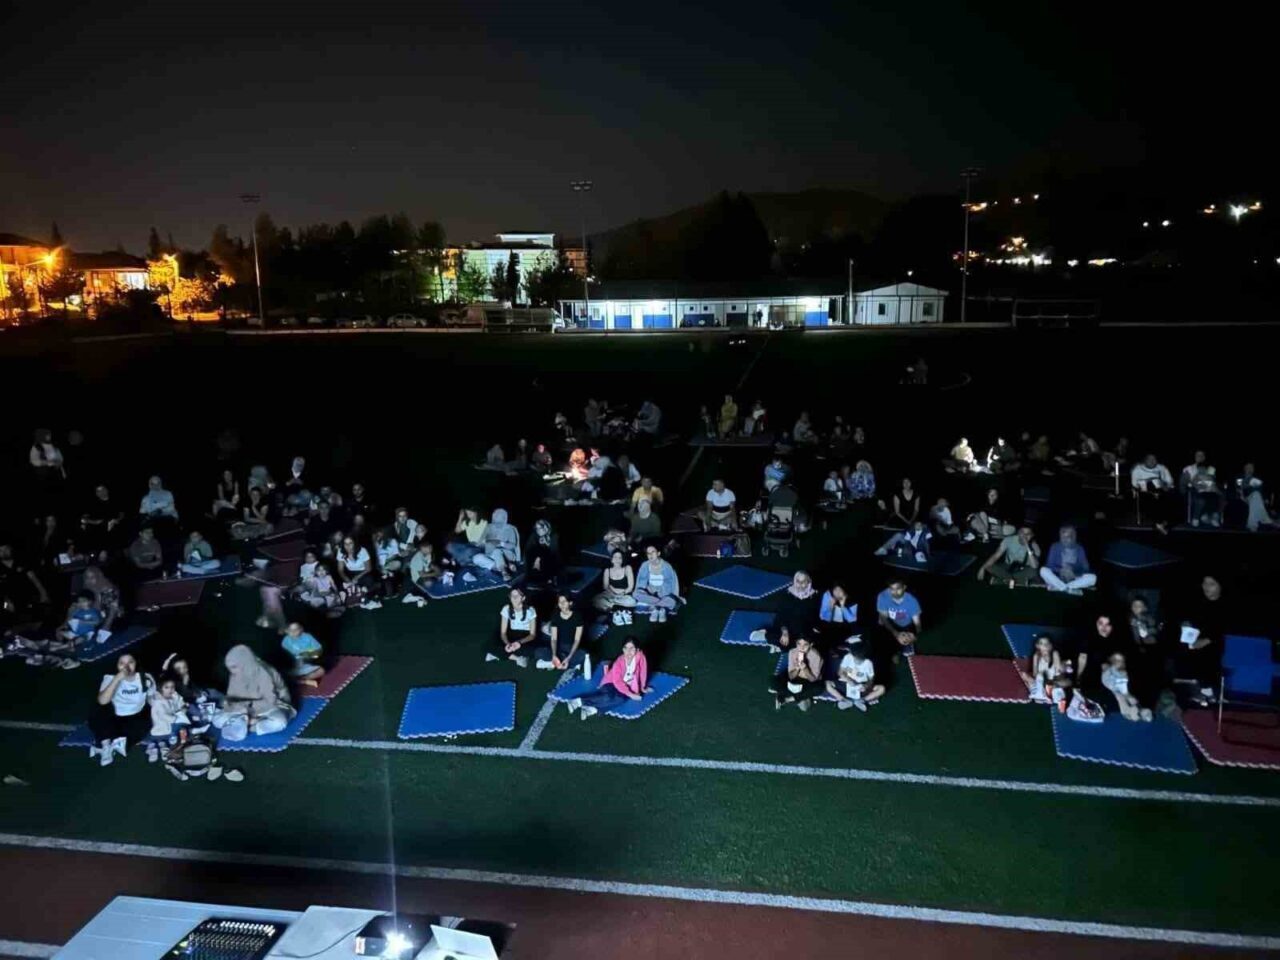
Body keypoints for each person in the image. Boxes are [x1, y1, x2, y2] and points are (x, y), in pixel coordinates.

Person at [214, 644, 296, 739]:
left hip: (272, 708)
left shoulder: (264, 672)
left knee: (280, 722)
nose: (232, 671)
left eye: (234, 667)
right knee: (217, 720)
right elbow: (232, 697)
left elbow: (270, 701)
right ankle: (242, 724)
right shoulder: (235, 673)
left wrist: (251, 718)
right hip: (245, 711)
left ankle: (250, 727)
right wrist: (235, 707)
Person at [89, 653, 154, 765]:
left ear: (136, 664)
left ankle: (108, 743)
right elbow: (103, 701)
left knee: (147, 724)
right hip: (114, 716)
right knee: (98, 711)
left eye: (130, 662)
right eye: (122, 663)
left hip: (134, 717)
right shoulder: (109, 677)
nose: (126, 666)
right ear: (117, 666)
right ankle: (105, 745)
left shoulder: (145, 678)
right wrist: (117, 679)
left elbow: (151, 699)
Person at [567, 637, 651, 719]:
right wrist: (631, 694)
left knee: (621, 699)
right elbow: (617, 682)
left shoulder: (640, 657)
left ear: (637, 650)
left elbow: (643, 671)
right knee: (609, 697)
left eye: (632, 648)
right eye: (626, 648)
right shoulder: (619, 662)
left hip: (627, 686)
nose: (628, 652)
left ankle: (592, 709)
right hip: (611, 683)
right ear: (623, 649)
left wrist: (643, 687)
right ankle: (578, 701)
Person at [1176, 575, 1228, 706]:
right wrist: (1185, 623)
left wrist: (1206, 641)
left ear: (1219, 586)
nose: (1206, 587)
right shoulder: (1197, 602)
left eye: (1211, 584)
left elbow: (1222, 628)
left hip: (1213, 646)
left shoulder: (1225, 605)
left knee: (1209, 664)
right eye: (1204, 583)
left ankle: (1211, 695)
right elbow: (1186, 617)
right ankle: (1199, 694)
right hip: (1193, 643)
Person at [749, 571, 819, 651]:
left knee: (809, 644)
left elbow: (814, 615)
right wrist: (785, 632)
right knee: (785, 642)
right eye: (798, 581)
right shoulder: (788, 595)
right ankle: (766, 634)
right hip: (788, 626)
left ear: (808, 582)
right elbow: (781, 616)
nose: (800, 585)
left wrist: (815, 628)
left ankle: (776, 643)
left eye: (803, 582)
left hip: (804, 629)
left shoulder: (814, 596)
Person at [771, 635, 823, 711]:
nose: (801, 648)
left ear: (811, 645)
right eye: (799, 644)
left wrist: (805, 669)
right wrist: (797, 669)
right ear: (796, 644)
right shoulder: (792, 652)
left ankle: (789, 699)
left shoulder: (816, 656)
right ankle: (801, 697)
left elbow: (813, 679)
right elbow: (791, 676)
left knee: (819, 688)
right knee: (773, 680)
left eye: (805, 645)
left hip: (808, 681)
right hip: (795, 679)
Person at [826, 644, 884, 712]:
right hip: (846, 684)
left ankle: (862, 700)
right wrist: (849, 680)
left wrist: (866, 685)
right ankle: (844, 700)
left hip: (860, 687)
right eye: (856, 657)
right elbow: (840, 672)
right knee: (828, 684)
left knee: (881, 688)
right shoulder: (848, 657)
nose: (858, 660)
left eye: (860, 659)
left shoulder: (868, 663)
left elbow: (871, 679)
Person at [1039, 525, 1096, 594]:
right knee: (1043, 570)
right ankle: (1067, 588)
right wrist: (1061, 570)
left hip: (1073, 578)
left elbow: (1085, 568)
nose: (1063, 540)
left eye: (1067, 537)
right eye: (1062, 537)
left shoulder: (1080, 549)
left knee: (1093, 578)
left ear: (1073, 537)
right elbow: (1049, 565)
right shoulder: (1055, 547)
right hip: (1057, 577)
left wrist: (1072, 569)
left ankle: (1061, 587)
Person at [537, 593, 587, 670]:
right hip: (558, 647)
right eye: (560, 602)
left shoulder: (577, 617)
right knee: (539, 652)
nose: (562, 604)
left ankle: (557, 663)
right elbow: (554, 638)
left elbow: (577, 640)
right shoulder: (555, 616)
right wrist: (554, 654)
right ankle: (563, 663)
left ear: (570, 603)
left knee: (584, 654)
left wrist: (569, 657)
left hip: (571, 648)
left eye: (564, 601)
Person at [146, 675, 190, 763]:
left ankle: (164, 747)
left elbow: (179, 702)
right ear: (160, 689)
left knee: (181, 728)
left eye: (172, 687)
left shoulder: (173, 696)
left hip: (171, 723)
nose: (170, 690)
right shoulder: (158, 702)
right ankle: (155, 747)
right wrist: (176, 717)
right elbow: (164, 716)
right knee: (168, 732)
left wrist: (183, 707)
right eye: (167, 687)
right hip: (161, 725)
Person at [633, 544, 680, 623]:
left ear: (658, 553)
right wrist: (645, 590)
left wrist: (670, 595)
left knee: (672, 601)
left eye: (653, 552)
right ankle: (660, 606)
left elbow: (672, 584)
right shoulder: (645, 565)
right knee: (635, 594)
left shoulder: (666, 566)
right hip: (650, 591)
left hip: (664, 592)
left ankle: (654, 606)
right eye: (648, 553)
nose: (650, 555)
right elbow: (640, 582)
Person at [490, 588, 537, 667]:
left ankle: (500, 654)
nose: (514, 598)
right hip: (512, 634)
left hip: (525, 637)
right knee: (489, 645)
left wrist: (519, 642)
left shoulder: (530, 610)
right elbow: (503, 632)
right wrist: (507, 643)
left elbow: (532, 635)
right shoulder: (506, 608)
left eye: (517, 596)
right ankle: (517, 658)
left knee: (534, 650)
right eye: (512, 596)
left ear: (523, 598)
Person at [876, 579, 922, 659]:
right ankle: (895, 651)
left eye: (898, 589)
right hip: (891, 621)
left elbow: (917, 622)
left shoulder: (912, 600)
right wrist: (895, 633)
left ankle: (908, 645)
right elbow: (883, 618)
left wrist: (915, 635)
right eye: (892, 589)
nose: (895, 592)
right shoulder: (882, 596)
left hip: (906, 623)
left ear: (904, 587)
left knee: (907, 639)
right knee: (881, 624)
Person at [1131, 454, 1175, 533]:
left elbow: (1170, 481)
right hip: (1144, 492)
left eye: (1154, 459)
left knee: (1170, 496)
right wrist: (1148, 481)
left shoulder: (1162, 468)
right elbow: (1134, 484)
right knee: (1154, 495)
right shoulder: (1137, 469)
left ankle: (1162, 523)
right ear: (1145, 461)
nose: (1152, 461)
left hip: (1161, 490)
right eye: (1149, 459)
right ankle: (1159, 523)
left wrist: (1166, 485)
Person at [1019, 634, 1068, 706]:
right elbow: (1035, 673)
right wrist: (1035, 681)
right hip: (1040, 682)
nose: (1045, 646)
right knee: (1024, 674)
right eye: (1042, 644)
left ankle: (1050, 695)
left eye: (1047, 644)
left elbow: (1058, 672)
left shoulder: (1055, 654)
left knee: (1066, 681)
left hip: (1053, 682)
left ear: (1051, 646)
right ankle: (1040, 693)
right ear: (1038, 646)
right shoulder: (1037, 656)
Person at [1102, 652, 1153, 721]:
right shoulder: (1107, 679)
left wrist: (1140, 710)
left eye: (1122, 661)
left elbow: (1125, 693)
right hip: (1112, 715)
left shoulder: (1125, 679)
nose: (1120, 664)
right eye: (1116, 661)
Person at [80, 484, 124, 560]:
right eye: (98, 491)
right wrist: (94, 522)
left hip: (114, 528)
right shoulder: (92, 504)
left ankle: (105, 552)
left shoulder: (116, 500)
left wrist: (118, 519)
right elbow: (83, 518)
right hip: (97, 529)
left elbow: (122, 514)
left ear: (107, 490)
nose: (101, 492)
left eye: (103, 489)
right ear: (96, 494)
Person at [1180, 451, 1222, 527]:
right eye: (1198, 455)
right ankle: (1197, 518)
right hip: (1194, 490)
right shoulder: (1189, 468)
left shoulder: (1210, 468)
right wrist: (1186, 490)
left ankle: (1212, 517)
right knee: (1201, 497)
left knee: (1216, 496)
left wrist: (1216, 490)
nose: (1200, 457)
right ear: (1194, 457)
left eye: (1202, 455)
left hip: (1210, 490)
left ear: (1205, 457)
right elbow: (1183, 482)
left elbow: (1213, 481)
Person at [476, 508, 520, 579]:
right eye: (494, 519)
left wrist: (500, 543)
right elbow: (479, 543)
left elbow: (513, 546)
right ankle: (506, 566)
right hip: (491, 554)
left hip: (507, 554)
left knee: (497, 551)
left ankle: (504, 572)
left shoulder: (510, 529)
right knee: (476, 558)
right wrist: (483, 543)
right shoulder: (488, 527)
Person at [282, 621, 326, 687]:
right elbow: (288, 656)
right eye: (290, 630)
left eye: (296, 629)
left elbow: (318, 650)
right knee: (282, 675)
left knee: (321, 671)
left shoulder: (307, 637)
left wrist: (310, 655)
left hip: (307, 664)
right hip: (294, 667)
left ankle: (302, 680)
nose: (293, 632)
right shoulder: (285, 641)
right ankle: (301, 681)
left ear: (301, 629)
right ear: (286, 631)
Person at [593, 550, 637, 615]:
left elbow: (630, 587)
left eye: (620, 558)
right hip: (611, 595)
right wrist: (613, 591)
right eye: (615, 557)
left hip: (624, 594)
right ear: (612, 559)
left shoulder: (627, 568)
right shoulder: (607, 570)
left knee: (632, 602)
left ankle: (612, 607)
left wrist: (622, 592)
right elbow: (605, 587)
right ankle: (615, 607)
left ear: (622, 560)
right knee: (596, 599)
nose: (617, 560)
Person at [1235, 463, 1276, 532]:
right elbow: (1238, 488)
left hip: (1257, 498)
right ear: (1244, 469)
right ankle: (1266, 520)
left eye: (1252, 468)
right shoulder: (1240, 478)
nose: (1250, 470)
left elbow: (1262, 489)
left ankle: (1252, 525)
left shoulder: (1257, 478)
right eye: (1248, 468)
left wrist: (1265, 498)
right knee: (1256, 495)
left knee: (1256, 496)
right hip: (1244, 498)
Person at [80, 566, 121, 632]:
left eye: (92, 577)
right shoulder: (88, 588)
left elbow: (113, 609)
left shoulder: (107, 589)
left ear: (98, 577)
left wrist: (106, 625)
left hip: (110, 617)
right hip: (95, 615)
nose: (89, 580)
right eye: (87, 578)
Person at [337, 536, 374, 601]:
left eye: (350, 543)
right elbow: (340, 570)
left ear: (354, 543)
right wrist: (346, 578)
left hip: (363, 572)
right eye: (346, 544)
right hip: (350, 572)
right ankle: (351, 594)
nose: (348, 546)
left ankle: (362, 592)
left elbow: (368, 568)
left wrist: (357, 577)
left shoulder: (362, 550)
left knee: (369, 581)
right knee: (343, 585)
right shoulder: (340, 551)